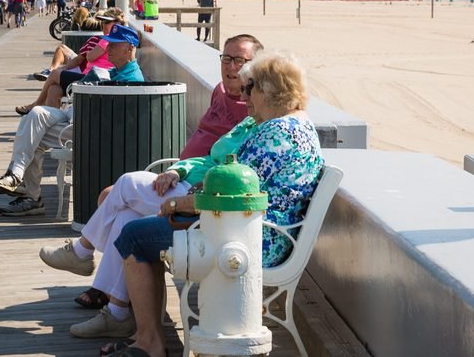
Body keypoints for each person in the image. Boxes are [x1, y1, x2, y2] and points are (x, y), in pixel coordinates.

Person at [38, 48, 318, 341]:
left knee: (134, 233)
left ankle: (145, 338)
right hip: (243, 227)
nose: (245, 96)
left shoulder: (277, 134)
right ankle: (118, 314)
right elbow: (235, 188)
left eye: (250, 88)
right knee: (127, 216)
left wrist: (178, 203)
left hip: (245, 239)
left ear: (268, 90)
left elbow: (234, 195)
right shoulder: (288, 125)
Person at [72, 33, 263, 310]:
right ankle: (114, 307)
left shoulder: (254, 116)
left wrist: (185, 184)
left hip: (201, 199)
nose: (231, 66)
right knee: (123, 213)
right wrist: (178, 169)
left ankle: (82, 252)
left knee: (120, 190)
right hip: (182, 177)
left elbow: (225, 169)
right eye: (226, 58)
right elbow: (208, 155)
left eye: (239, 61)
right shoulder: (220, 92)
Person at [0, 23, 146, 217]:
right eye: (109, 44)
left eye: (115, 45)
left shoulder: (132, 79)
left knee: (33, 133)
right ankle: (18, 176)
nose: (109, 48)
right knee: (36, 114)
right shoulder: (117, 71)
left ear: (130, 48)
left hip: (91, 127)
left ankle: (29, 194)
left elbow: (116, 119)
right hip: (79, 114)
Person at [16, 10, 124, 115]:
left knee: (54, 74)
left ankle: (35, 105)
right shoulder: (114, 39)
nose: (103, 25)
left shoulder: (108, 40)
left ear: (117, 23)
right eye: (102, 22)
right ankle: (51, 124)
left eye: (107, 22)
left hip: (93, 80)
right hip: (90, 78)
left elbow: (90, 57)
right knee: (54, 90)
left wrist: (90, 51)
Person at [31, 6, 105, 81]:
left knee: (60, 51)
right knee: (54, 86)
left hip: (83, 69)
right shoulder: (107, 41)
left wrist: (61, 69)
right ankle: (51, 71)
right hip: (90, 69)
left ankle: (50, 71)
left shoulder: (96, 40)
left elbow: (79, 60)